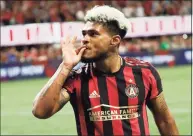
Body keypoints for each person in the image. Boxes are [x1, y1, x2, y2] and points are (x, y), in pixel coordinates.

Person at [32, 5, 179, 135]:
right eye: (84, 33)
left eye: (93, 34)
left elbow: (165, 120)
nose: (85, 39)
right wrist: (65, 66)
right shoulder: (76, 77)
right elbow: (40, 111)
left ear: (114, 41)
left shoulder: (144, 72)